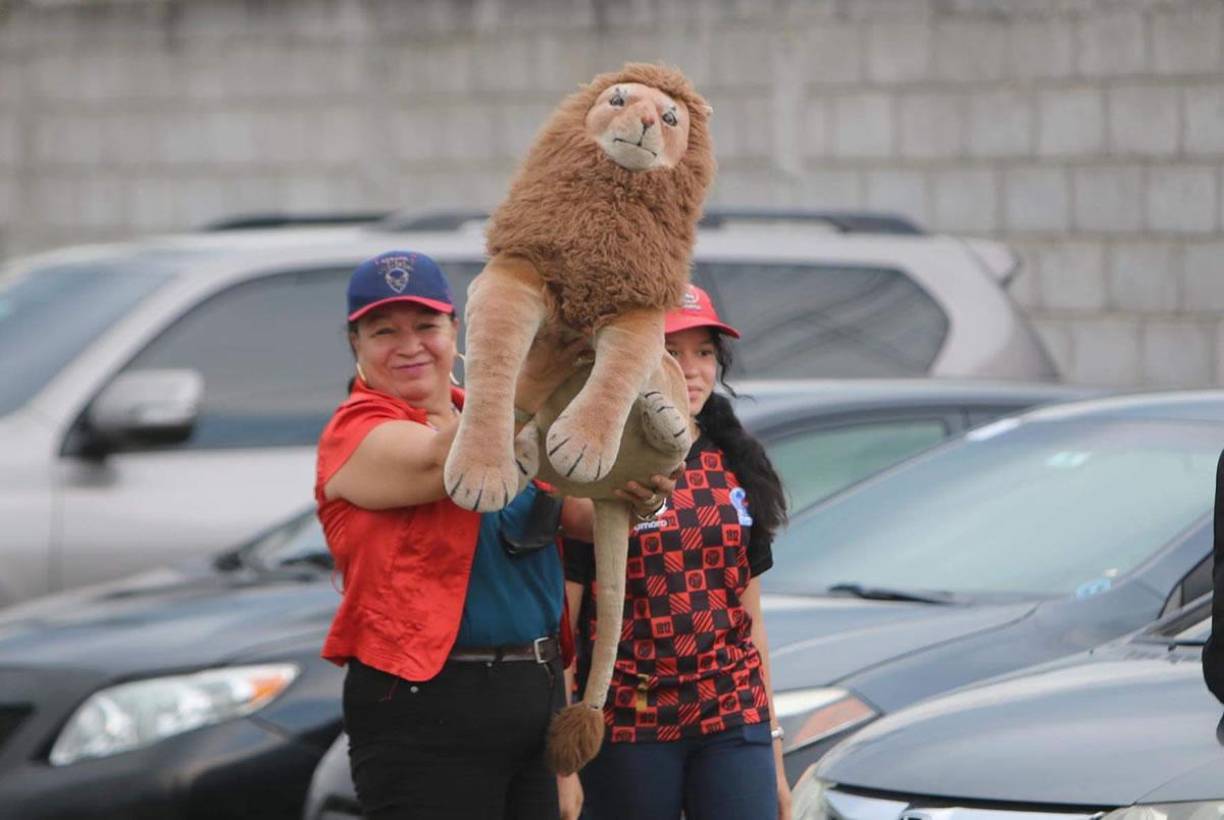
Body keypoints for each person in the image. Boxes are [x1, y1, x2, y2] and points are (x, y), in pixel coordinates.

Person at [315, 250, 674, 820]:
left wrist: (639, 485)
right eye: (384, 331)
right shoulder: (355, 432)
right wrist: (538, 373)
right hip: (423, 704)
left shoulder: (506, 419)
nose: (409, 346)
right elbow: (446, 464)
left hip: (532, 695)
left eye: (426, 326)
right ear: (356, 344)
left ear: (455, 329)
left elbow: (579, 514)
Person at [564, 284, 791, 820]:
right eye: (671, 352)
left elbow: (750, 618)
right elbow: (566, 628)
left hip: (733, 717)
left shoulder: (738, 461)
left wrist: (774, 749)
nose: (690, 370)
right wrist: (566, 765)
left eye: (705, 353)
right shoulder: (603, 464)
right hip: (630, 723)